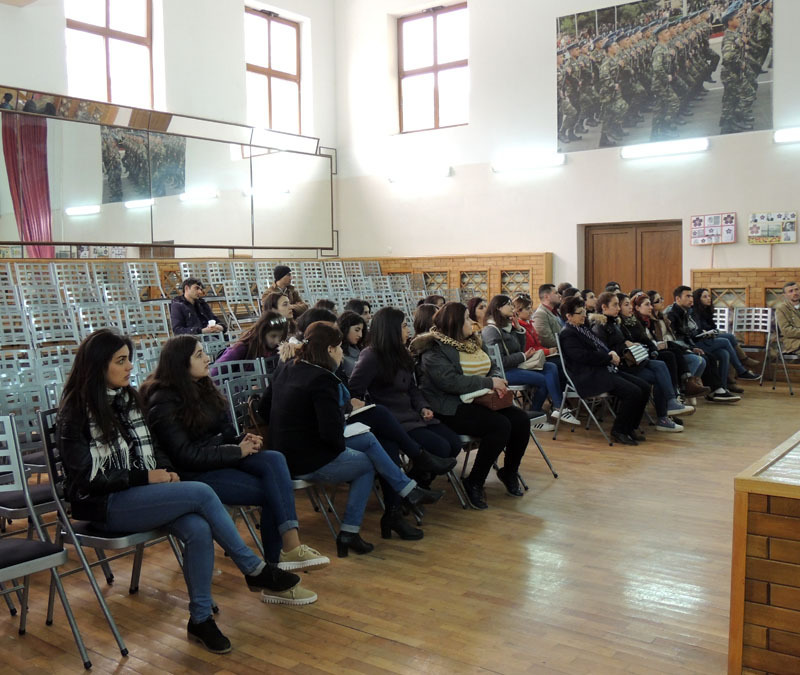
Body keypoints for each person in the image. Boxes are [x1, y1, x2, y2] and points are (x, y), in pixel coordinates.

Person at [57, 329, 307, 654]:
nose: (129, 366)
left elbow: (154, 447)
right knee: (201, 492)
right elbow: (84, 477)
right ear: (97, 365)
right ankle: (254, 569)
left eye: (129, 359)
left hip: (139, 493)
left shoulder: (126, 399)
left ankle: (200, 619)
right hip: (104, 503)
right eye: (120, 361)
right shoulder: (76, 411)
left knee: (198, 528)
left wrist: (166, 472)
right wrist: (146, 477)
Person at [141, 336, 329, 575]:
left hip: (220, 460)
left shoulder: (204, 387)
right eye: (199, 355)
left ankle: (289, 549)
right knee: (272, 492)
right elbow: (185, 456)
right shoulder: (163, 401)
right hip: (194, 474)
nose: (208, 358)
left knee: (274, 459)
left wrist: (243, 440)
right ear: (180, 363)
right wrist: (235, 450)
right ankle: (278, 565)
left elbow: (225, 434)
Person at [269, 322, 442, 555]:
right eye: (340, 347)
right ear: (330, 350)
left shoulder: (288, 367)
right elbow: (331, 437)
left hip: (284, 453)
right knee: (367, 462)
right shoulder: (323, 379)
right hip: (307, 459)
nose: (342, 352)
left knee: (368, 439)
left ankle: (407, 492)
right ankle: (352, 530)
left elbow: (264, 407)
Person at [412, 302, 531, 509]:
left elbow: (491, 366)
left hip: (478, 399)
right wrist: (489, 383)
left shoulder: (472, 342)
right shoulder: (433, 348)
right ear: (455, 323)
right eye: (467, 318)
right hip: (448, 405)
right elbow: (450, 382)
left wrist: (495, 380)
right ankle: (475, 481)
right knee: (499, 425)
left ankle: (509, 472)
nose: (472, 322)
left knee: (521, 420)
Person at [348, 307, 460, 475]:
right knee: (441, 447)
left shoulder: (403, 353)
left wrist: (423, 406)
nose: (408, 330)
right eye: (404, 326)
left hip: (413, 415)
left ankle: (418, 480)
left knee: (454, 444)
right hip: (394, 421)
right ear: (390, 329)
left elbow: (412, 388)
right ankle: (415, 481)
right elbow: (354, 390)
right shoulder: (371, 355)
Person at [591, 292, 692, 433]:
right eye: (617, 305)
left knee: (662, 365)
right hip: (622, 366)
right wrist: (627, 345)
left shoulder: (616, 322)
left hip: (633, 360)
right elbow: (606, 350)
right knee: (660, 373)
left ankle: (668, 407)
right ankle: (665, 413)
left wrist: (632, 345)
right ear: (604, 307)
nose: (619, 308)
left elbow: (640, 339)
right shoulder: (601, 326)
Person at [558, 296, 649, 446]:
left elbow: (599, 346)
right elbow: (583, 357)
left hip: (603, 370)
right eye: (580, 313)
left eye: (584, 311)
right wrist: (608, 357)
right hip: (589, 376)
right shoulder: (568, 333)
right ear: (569, 316)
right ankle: (619, 431)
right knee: (633, 392)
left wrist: (610, 353)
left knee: (644, 387)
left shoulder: (583, 328)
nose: (584, 315)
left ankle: (630, 428)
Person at [482, 295, 578, 427]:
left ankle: (557, 408)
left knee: (550, 367)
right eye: (508, 304)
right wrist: (523, 356)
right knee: (543, 379)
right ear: (498, 308)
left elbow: (519, 348)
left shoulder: (507, 326)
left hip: (516, 366)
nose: (512, 307)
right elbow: (500, 362)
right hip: (503, 372)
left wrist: (518, 330)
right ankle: (537, 416)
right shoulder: (491, 330)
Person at [666, 286, 741, 403]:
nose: (691, 299)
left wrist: (694, 346)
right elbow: (676, 337)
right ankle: (691, 389)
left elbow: (688, 334)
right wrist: (691, 347)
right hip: (680, 347)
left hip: (691, 344)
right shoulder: (672, 314)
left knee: (719, 354)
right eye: (687, 296)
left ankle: (718, 389)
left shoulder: (685, 312)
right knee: (710, 353)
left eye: (691, 296)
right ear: (678, 299)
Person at [632, 294, 709, 398]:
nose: (651, 307)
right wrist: (657, 344)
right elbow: (645, 341)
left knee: (698, 357)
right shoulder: (637, 323)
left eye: (651, 304)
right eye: (648, 304)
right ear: (637, 308)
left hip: (666, 346)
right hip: (646, 354)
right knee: (672, 355)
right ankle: (677, 391)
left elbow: (670, 336)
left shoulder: (653, 320)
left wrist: (689, 348)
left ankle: (687, 385)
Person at [692, 288, 760, 383]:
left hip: (708, 338)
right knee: (727, 340)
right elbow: (699, 330)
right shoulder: (694, 312)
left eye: (709, 296)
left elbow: (712, 327)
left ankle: (724, 386)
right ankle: (742, 367)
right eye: (705, 297)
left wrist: (713, 331)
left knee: (725, 353)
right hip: (700, 342)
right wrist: (710, 331)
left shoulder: (706, 311)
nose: (708, 298)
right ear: (698, 299)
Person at [215, 311, 288, 365]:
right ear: (262, 333)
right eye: (273, 336)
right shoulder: (240, 349)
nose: (277, 341)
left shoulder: (278, 351)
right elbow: (215, 373)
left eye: (280, 336)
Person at [532, 284, 564, 349]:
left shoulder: (556, 311)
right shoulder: (540, 314)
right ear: (546, 297)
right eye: (556, 293)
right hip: (555, 352)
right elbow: (547, 341)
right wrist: (567, 345)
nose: (560, 295)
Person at [337, 310, 367, 377]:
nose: (360, 335)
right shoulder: (337, 353)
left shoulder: (360, 349)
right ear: (345, 328)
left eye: (362, 331)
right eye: (357, 330)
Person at [776, 281, 800, 354]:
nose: (795, 293)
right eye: (790, 291)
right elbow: (786, 330)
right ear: (785, 295)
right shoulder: (781, 309)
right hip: (793, 342)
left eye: (796, 289)